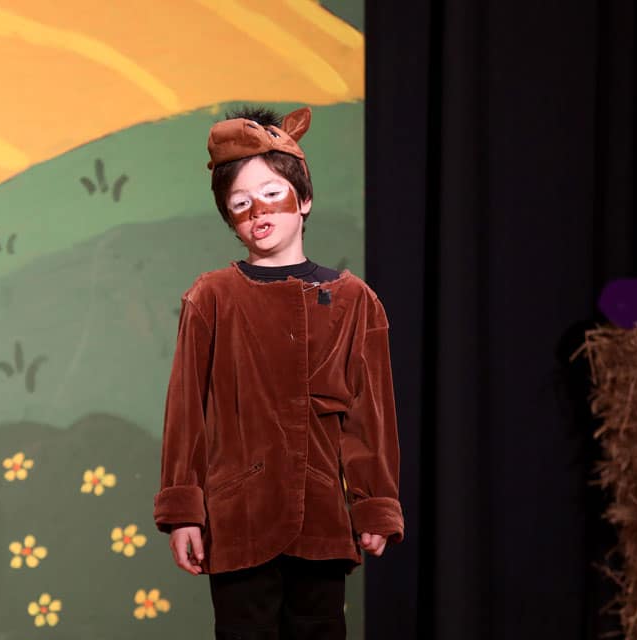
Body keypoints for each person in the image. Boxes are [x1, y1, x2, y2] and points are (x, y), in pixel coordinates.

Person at [153, 105, 404, 639]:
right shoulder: (212, 297)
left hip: (321, 519)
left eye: (272, 193)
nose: (258, 211)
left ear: (304, 199)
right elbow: (186, 412)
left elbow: (370, 414)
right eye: (240, 203)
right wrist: (184, 512)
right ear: (229, 218)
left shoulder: (354, 301)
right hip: (238, 518)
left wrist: (374, 505)